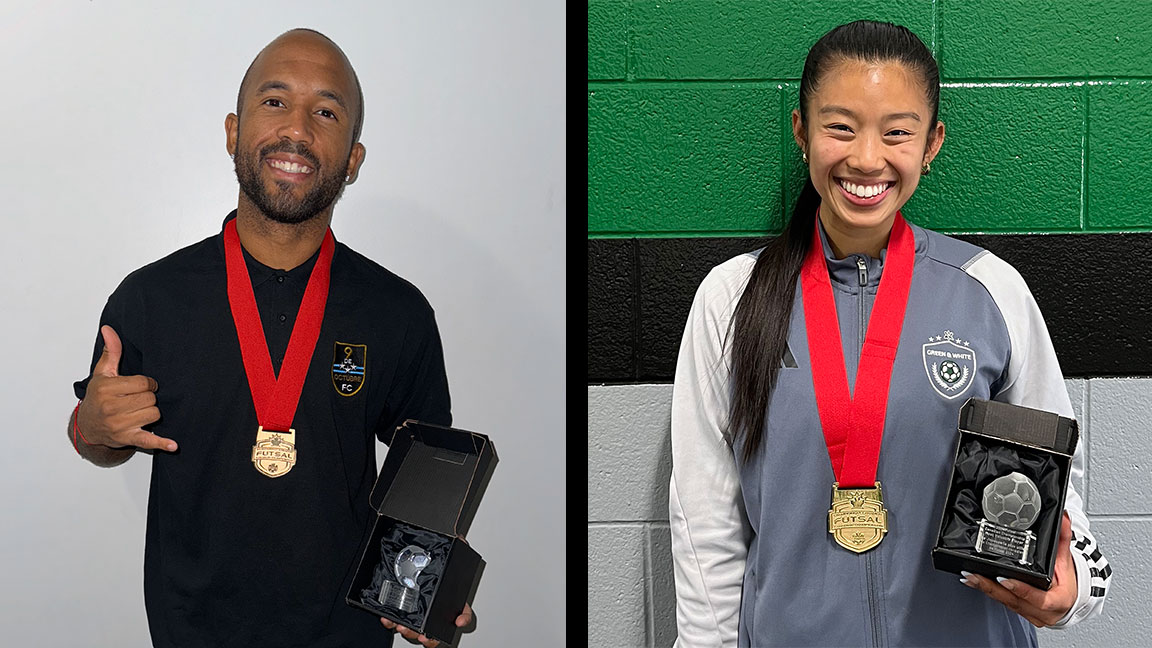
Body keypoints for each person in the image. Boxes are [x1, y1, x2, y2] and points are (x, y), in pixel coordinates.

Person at [669, 20, 1110, 647]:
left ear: (931, 143)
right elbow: (704, 525)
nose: (867, 158)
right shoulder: (731, 299)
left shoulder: (990, 289)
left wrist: (1072, 597)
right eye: (840, 127)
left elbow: (1062, 496)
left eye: (897, 133)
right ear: (802, 131)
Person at [69, 28, 472, 648]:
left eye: (327, 112)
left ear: (353, 160)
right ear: (234, 131)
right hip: (190, 631)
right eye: (275, 101)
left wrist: (427, 582)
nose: (299, 130)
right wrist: (90, 428)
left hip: (348, 633)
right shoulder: (150, 298)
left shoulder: (399, 312)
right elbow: (98, 439)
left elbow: (429, 468)